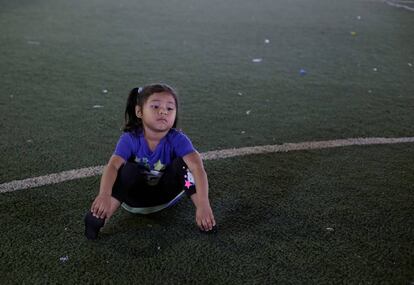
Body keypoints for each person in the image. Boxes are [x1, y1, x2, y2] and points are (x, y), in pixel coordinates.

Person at [84, 83, 216, 240]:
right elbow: (112, 166)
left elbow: (198, 168)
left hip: (165, 196)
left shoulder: (178, 139)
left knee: (184, 163)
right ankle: (100, 217)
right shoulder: (130, 138)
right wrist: (104, 195)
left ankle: (204, 217)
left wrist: (204, 204)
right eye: (155, 106)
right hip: (134, 199)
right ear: (139, 111)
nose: (163, 111)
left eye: (169, 108)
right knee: (128, 170)